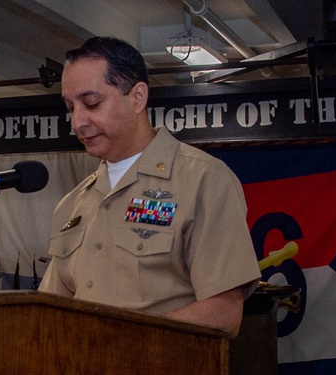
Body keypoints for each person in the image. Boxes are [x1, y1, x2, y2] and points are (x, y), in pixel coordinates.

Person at [38, 37, 260, 337]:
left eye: (92, 103)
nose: (77, 122)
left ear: (138, 97)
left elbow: (223, 312)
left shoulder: (202, 180)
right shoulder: (72, 204)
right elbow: (46, 313)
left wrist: (120, 342)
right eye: (70, 107)